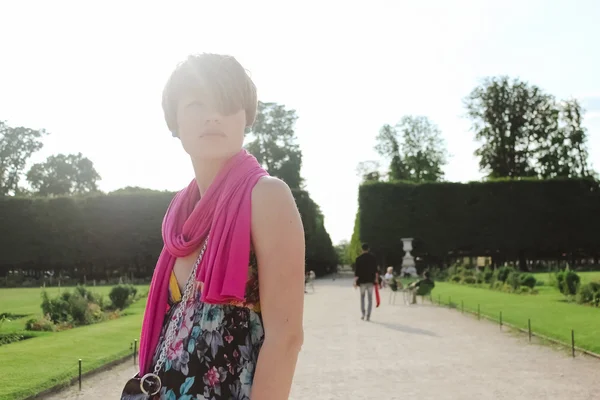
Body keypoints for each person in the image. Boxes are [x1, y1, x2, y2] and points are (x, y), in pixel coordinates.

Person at [123, 53, 305, 400]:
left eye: (226, 103)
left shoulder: (266, 196)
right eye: (195, 104)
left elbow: (286, 339)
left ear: (245, 118)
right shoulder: (181, 214)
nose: (212, 115)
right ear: (174, 122)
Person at [354, 243, 379, 321]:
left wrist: (355, 282)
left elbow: (357, 272)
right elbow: (376, 270)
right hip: (370, 281)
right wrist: (376, 279)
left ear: (361, 249)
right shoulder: (373, 258)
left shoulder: (358, 259)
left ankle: (363, 314)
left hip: (362, 282)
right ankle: (368, 315)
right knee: (370, 299)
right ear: (368, 249)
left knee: (362, 298)